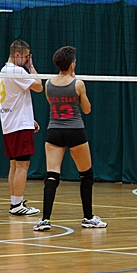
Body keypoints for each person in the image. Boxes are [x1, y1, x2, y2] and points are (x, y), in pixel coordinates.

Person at [35, 46, 106, 231]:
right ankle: (88, 218)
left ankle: (45, 220)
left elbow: (52, 104)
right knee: (86, 175)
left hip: (54, 130)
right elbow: (87, 109)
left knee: (52, 175)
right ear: (72, 64)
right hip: (75, 130)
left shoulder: (48, 84)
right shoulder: (78, 84)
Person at [0, 39, 42, 217]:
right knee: (22, 166)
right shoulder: (17, 71)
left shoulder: (4, 70)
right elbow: (39, 86)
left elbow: (15, 98)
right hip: (19, 126)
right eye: (25, 57)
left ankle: (15, 201)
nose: (26, 60)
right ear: (17, 54)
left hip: (10, 123)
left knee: (14, 165)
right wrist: (31, 67)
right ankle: (17, 205)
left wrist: (29, 119)